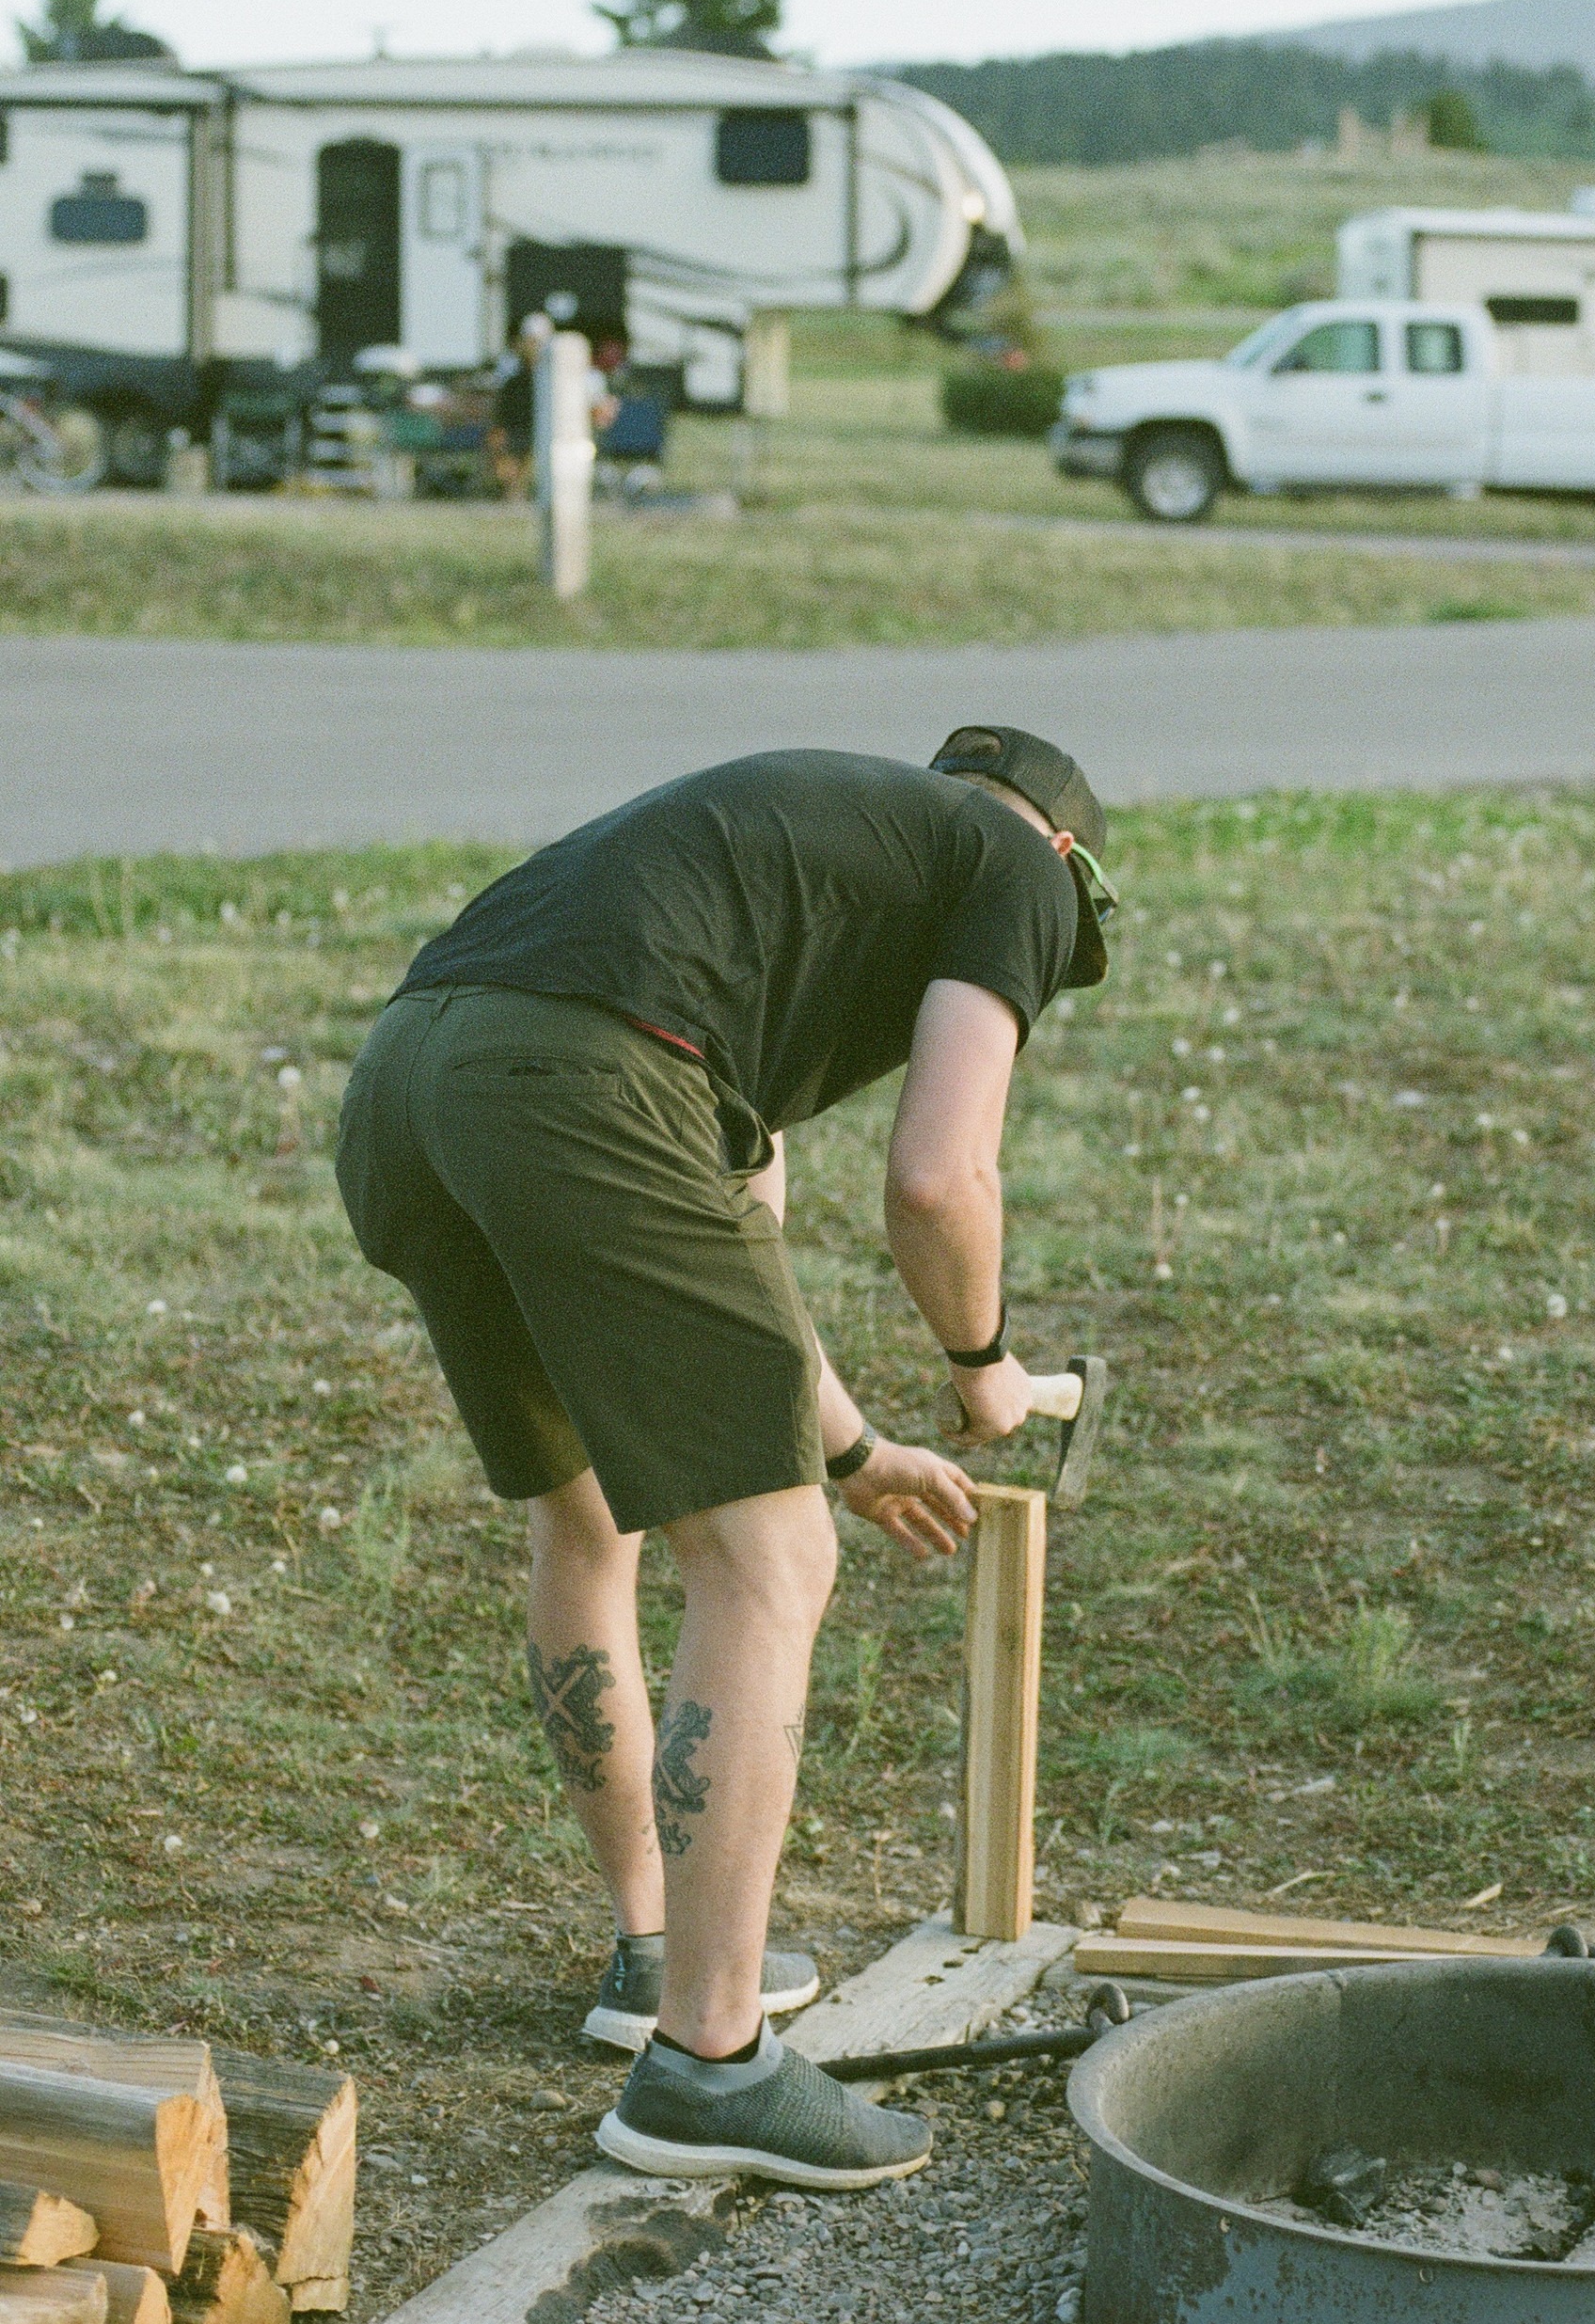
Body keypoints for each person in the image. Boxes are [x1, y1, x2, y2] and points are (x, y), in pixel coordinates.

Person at [332, 726, 1117, 2189]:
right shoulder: (1013, 862)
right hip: (582, 1085)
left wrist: (858, 1446)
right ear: (1063, 865)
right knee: (767, 1560)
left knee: (588, 1519)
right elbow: (941, 1177)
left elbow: (726, 1239)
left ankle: (652, 1955)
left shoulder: (789, 879)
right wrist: (982, 1367)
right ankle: (708, 2059)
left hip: (410, 1081)